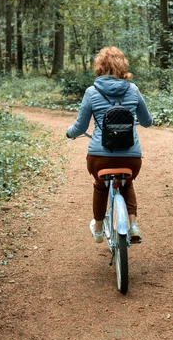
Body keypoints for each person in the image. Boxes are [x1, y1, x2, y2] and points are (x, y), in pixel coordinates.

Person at [66, 46, 153, 244]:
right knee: (127, 183)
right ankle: (133, 225)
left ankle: (98, 229)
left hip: (100, 157)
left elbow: (79, 128)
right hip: (131, 158)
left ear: (99, 66)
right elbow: (147, 121)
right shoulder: (133, 89)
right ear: (122, 64)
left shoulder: (91, 92)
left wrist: (69, 132)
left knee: (100, 186)